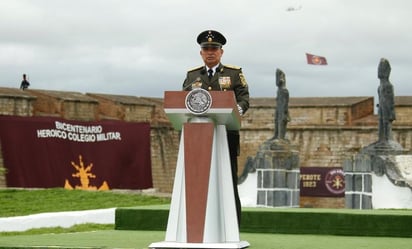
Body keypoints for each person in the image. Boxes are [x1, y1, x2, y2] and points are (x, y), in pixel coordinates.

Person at [182, 30, 250, 225]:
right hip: (198, 137)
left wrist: (236, 111)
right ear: (201, 53)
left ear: (221, 52)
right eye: (206, 49)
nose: (210, 52)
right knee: (198, 181)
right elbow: (183, 100)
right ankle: (198, 224)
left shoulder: (233, 73)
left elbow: (244, 99)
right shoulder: (192, 75)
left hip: (226, 134)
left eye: (214, 49)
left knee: (228, 180)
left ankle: (232, 226)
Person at [377, 58, 396, 143]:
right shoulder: (379, 87)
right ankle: (381, 139)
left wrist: (391, 111)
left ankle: (387, 139)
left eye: (381, 68)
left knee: (385, 122)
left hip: (386, 108)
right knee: (380, 122)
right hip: (381, 106)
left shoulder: (388, 86)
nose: (379, 71)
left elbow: (391, 100)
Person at [273, 68, 290, 140]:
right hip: (278, 108)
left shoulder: (284, 90)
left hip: (282, 109)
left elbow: (285, 102)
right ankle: (276, 135)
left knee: (281, 122)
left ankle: (280, 137)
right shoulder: (279, 90)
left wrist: (285, 112)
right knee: (276, 121)